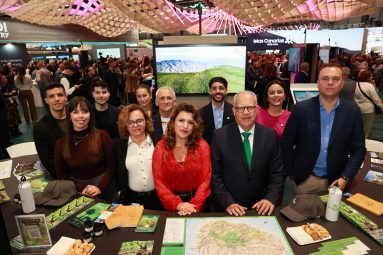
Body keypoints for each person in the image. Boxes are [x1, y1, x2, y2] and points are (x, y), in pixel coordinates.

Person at [281, 63, 366, 195]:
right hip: (305, 181)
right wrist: (292, 174)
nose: (330, 82)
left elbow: (358, 151)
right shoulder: (301, 109)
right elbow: (286, 144)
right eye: (325, 78)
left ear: (342, 83)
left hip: (337, 182)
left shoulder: (352, 112)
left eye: (336, 79)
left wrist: (345, 178)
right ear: (318, 83)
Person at [211, 91, 285, 216]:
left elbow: (277, 173)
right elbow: (215, 175)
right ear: (234, 111)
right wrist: (228, 202)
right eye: (241, 108)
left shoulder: (270, 135)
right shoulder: (219, 136)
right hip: (231, 208)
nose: (246, 112)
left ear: (256, 110)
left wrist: (270, 198)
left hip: (261, 208)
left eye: (250, 107)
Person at [152, 103, 211, 215]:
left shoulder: (202, 146)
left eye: (190, 122)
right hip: (170, 206)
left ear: (195, 126)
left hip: (197, 207)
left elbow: (205, 181)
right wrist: (178, 204)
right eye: (181, 120)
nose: (185, 126)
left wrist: (193, 206)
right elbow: (160, 182)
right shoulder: (161, 147)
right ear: (173, 122)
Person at [54, 96, 116, 201]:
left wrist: (99, 187)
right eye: (76, 112)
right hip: (77, 193)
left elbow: (112, 166)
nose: (81, 116)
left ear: (90, 115)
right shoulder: (61, 144)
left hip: (105, 189)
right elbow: (63, 175)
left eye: (85, 111)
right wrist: (81, 188)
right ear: (69, 115)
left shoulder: (103, 136)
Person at [114, 104, 162, 210]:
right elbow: (116, 172)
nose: (136, 125)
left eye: (139, 120)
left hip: (158, 198)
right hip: (131, 200)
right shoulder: (119, 145)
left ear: (146, 121)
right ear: (125, 125)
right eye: (130, 122)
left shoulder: (159, 141)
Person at [33, 83, 67, 178]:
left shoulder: (77, 117)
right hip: (62, 176)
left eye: (60, 95)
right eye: (52, 96)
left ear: (65, 97)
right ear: (46, 101)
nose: (57, 99)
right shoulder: (40, 128)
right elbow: (48, 161)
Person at [199, 77, 234, 144]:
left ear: (226, 91)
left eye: (221, 88)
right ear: (210, 91)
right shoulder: (200, 113)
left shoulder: (234, 111)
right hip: (208, 151)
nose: (218, 91)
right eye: (214, 88)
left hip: (229, 151)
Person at [354, 69, 383, 138]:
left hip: (357, 109)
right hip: (368, 111)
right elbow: (376, 99)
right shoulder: (369, 86)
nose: (372, 77)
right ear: (367, 77)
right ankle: (363, 145)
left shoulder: (355, 84)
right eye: (371, 76)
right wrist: (382, 107)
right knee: (366, 129)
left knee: (358, 127)